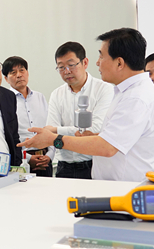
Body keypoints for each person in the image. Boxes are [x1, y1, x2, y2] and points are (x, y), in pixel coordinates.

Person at [19, 28, 154, 182]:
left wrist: (54, 139)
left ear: (119, 63)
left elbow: (107, 147)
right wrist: (95, 137)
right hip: (113, 184)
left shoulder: (135, 98)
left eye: (101, 56)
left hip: (127, 187)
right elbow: (115, 138)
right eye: (61, 67)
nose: (98, 62)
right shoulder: (126, 92)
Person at [46, 42, 114, 179]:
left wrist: (57, 131)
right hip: (63, 167)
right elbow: (50, 130)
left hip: (93, 165)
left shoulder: (104, 89)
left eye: (71, 65)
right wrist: (56, 131)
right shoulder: (56, 94)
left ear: (85, 62)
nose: (67, 71)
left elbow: (95, 128)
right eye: (61, 67)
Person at [3, 56, 52, 177]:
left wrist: (49, 156)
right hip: (20, 161)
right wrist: (28, 158)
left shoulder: (40, 97)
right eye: (13, 73)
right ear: (6, 79)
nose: (19, 75)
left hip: (46, 160)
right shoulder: (5, 101)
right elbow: (7, 136)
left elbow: (50, 127)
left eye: (22, 70)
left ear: (27, 73)